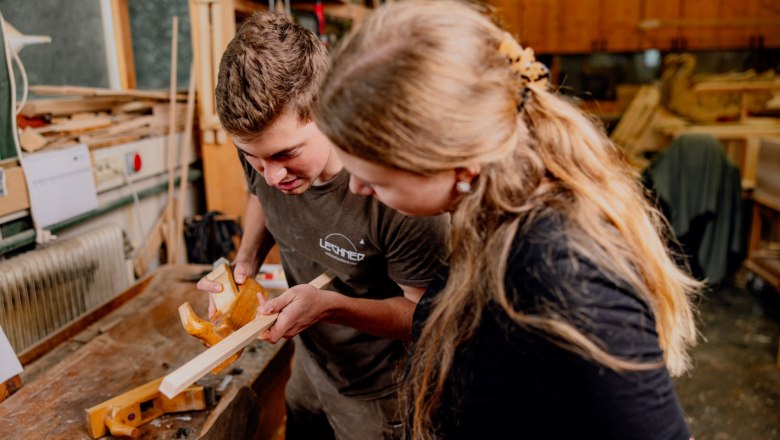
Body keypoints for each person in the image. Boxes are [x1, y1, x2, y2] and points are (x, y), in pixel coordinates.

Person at [314, 1, 700, 438]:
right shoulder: (492, 216)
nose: (356, 189)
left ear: (457, 163)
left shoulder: (562, 273)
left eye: (375, 180)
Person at [197, 11, 450, 440]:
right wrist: (245, 264)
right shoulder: (260, 147)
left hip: (378, 391)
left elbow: (424, 320)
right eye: (253, 157)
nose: (271, 175)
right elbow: (259, 194)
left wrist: (329, 307)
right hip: (311, 364)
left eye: (286, 154)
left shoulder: (396, 191)